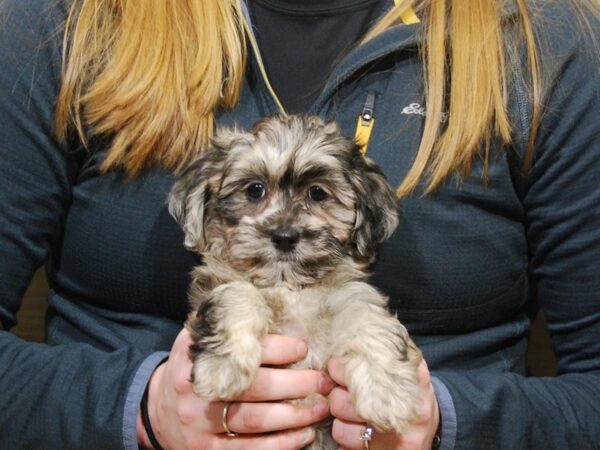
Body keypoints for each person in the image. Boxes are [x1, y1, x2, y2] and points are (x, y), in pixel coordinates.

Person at [0, 0, 599, 449]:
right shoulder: (65, 22)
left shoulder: (545, 38)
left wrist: (449, 418)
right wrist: (136, 409)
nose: (283, 225)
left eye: (315, 196)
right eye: (254, 193)